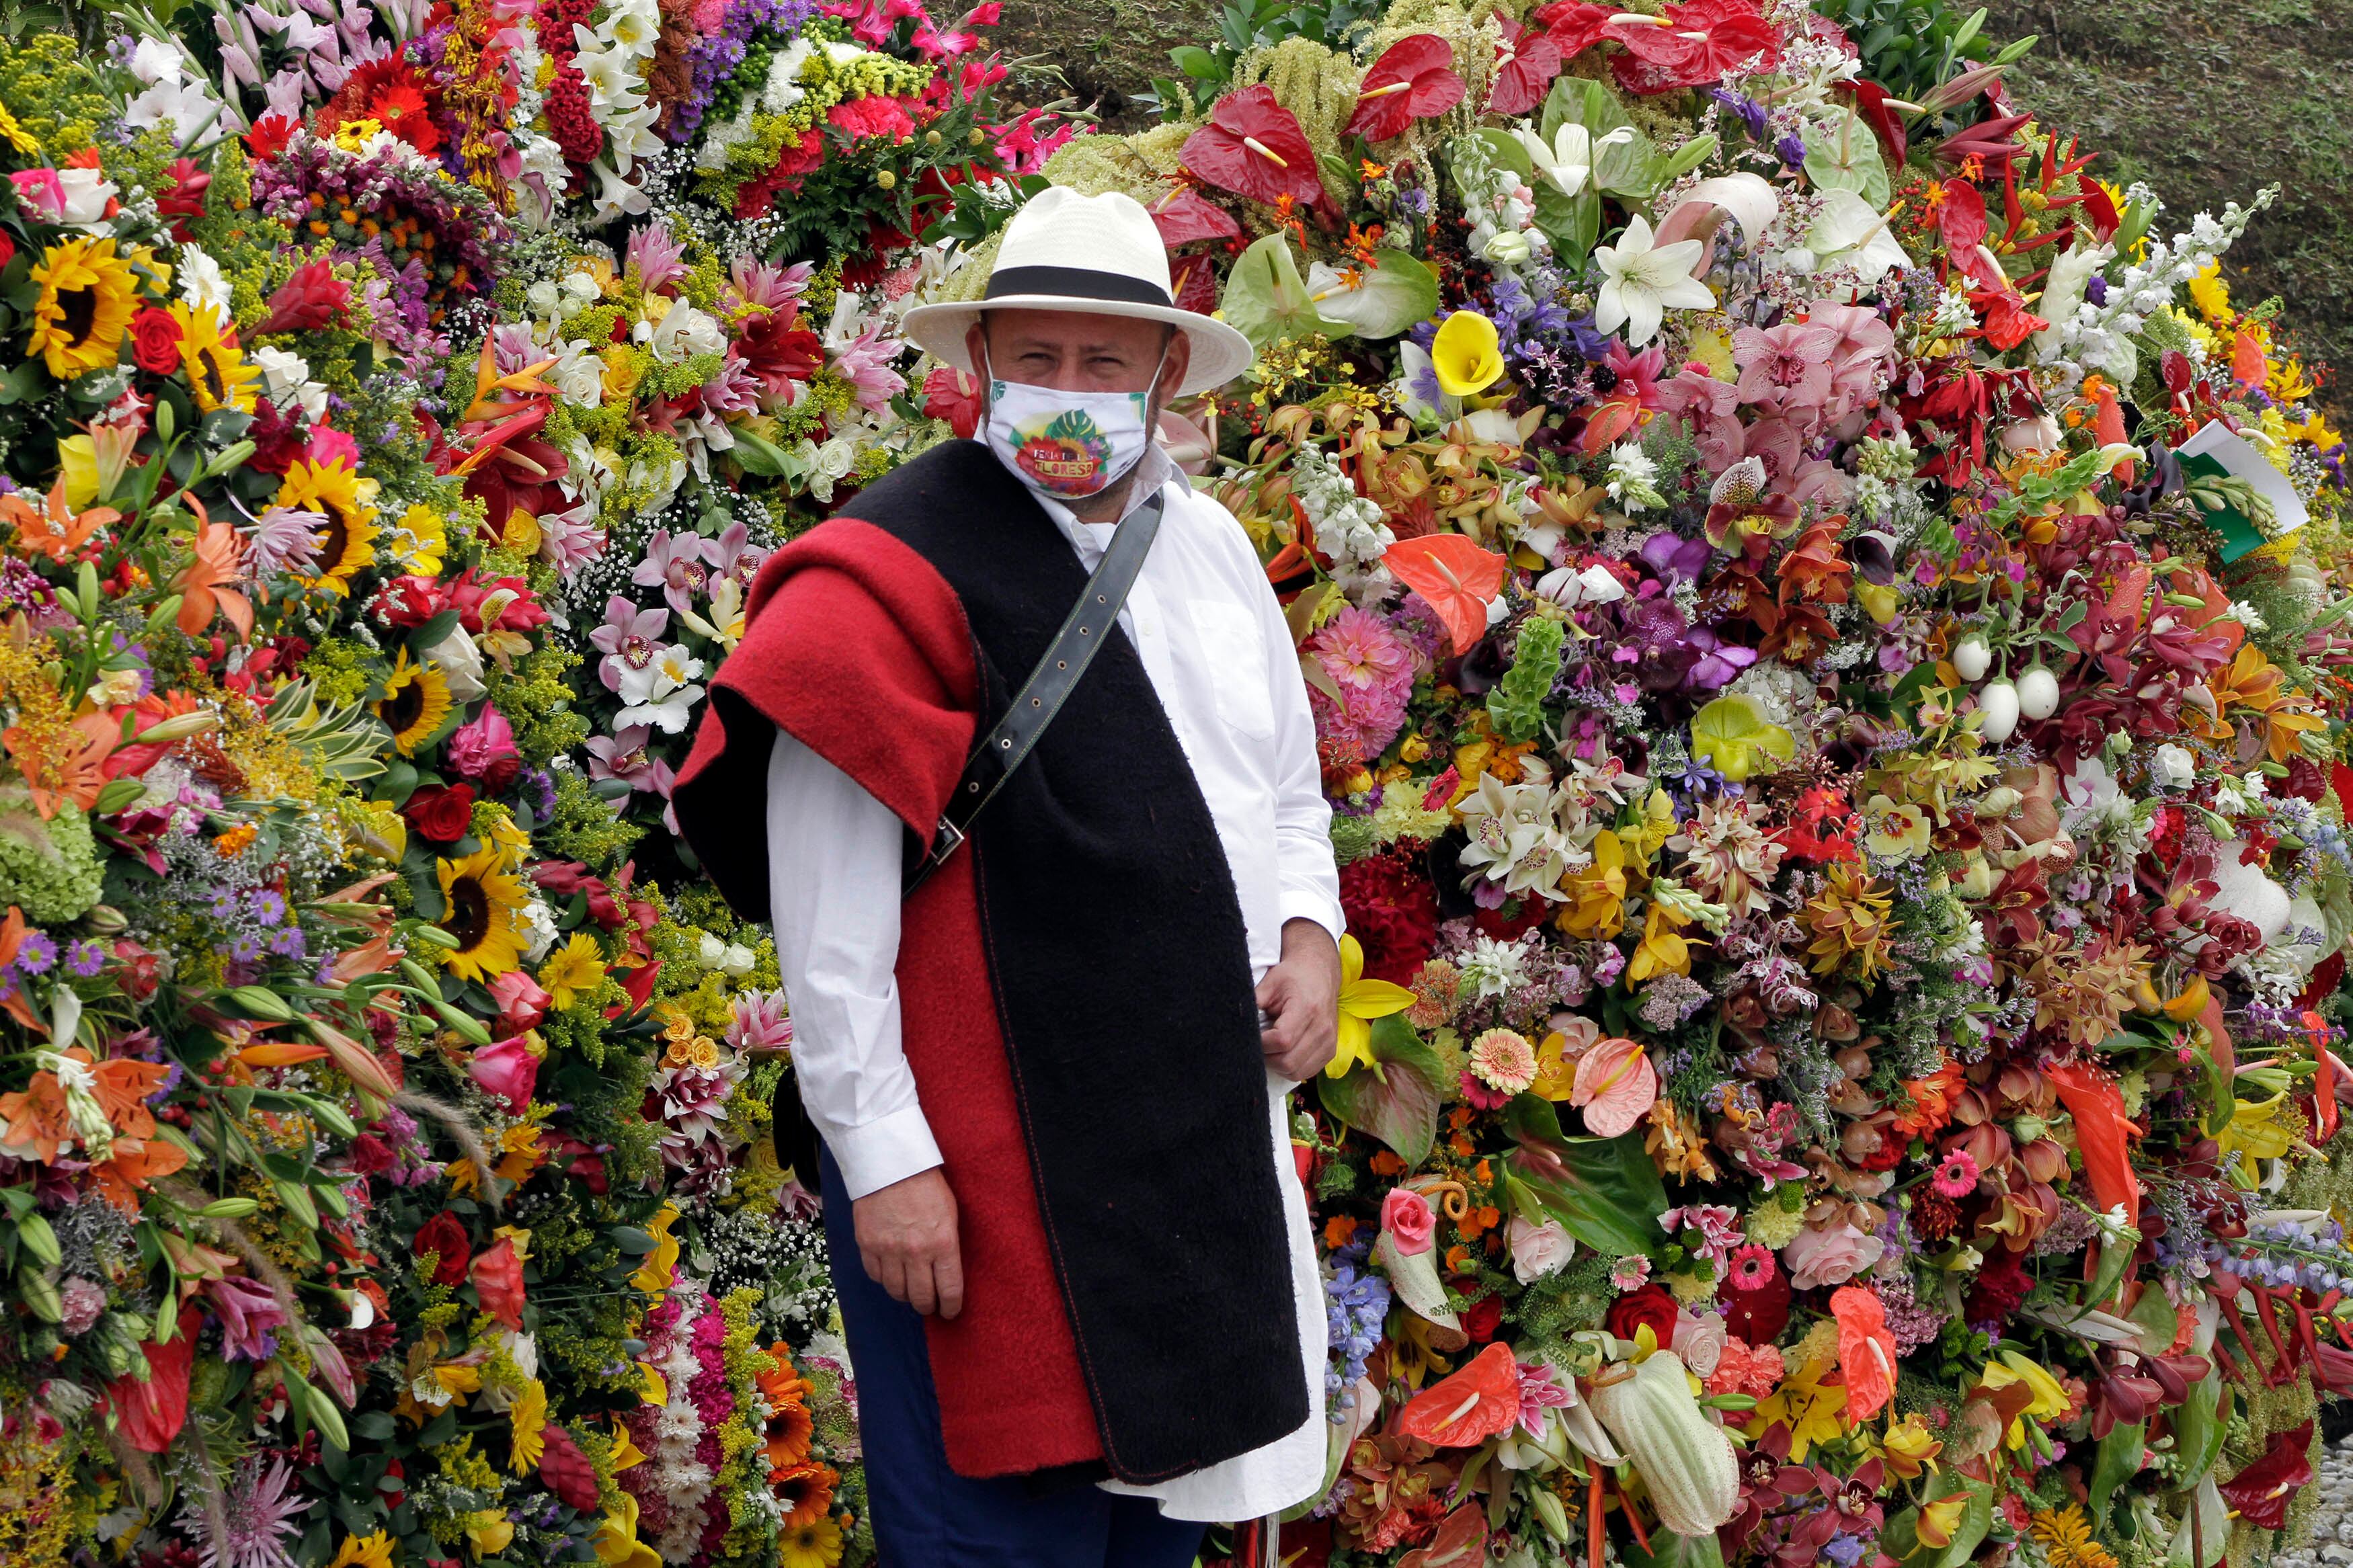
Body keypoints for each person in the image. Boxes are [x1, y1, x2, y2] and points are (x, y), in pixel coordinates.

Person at [672, 186, 1347, 1566]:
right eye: (1036, 356)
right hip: (980, 1171)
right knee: (993, 1539)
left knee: (1155, 1529)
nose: (1067, 389)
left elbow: (1287, 792)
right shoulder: (882, 578)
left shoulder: (1212, 551)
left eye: (1104, 361)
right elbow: (830, 926)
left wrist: (1310, 936)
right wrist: (887, 1165)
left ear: (1167, 372)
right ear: (978, 361)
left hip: (1183, 1156)